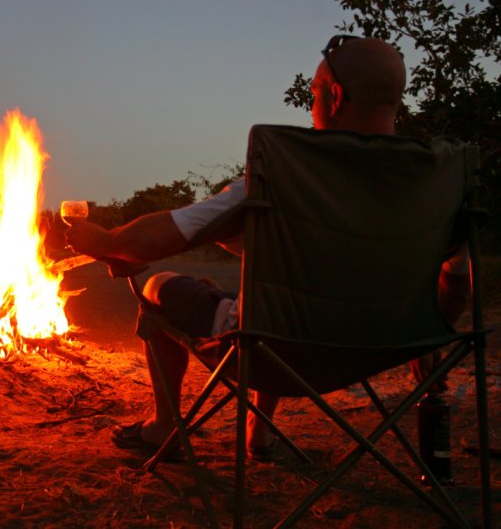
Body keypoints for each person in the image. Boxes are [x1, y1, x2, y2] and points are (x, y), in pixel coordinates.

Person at [64, 36, 470, 461]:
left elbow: (172, 232)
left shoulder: (289, 175)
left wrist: (107, 241)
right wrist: (418, 340)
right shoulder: (439, 184)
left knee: (161, 287)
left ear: (334, 96)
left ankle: (163, 428)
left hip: (270, 355)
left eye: (313, 93)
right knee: (263, 298)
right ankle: (259, 434)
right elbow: (454, 290)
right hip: (378, 350)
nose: (311, 104)